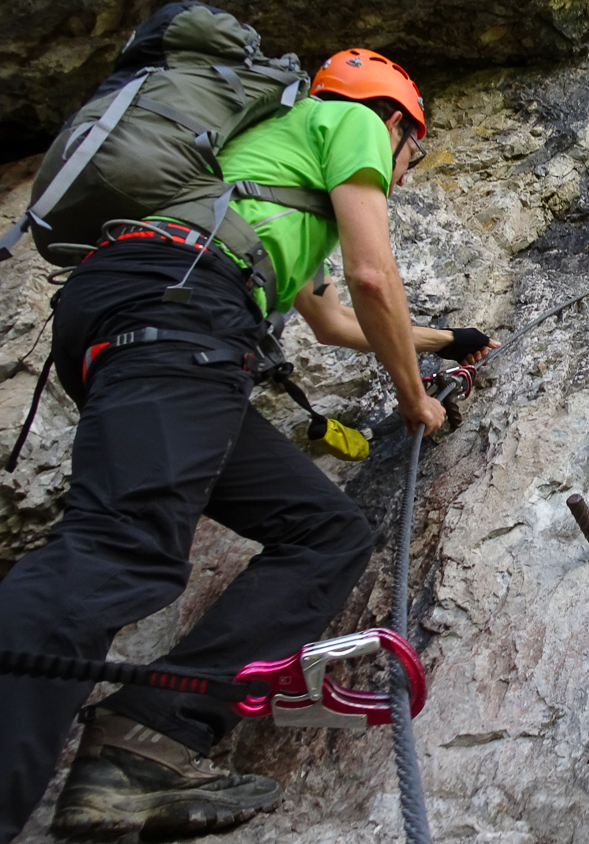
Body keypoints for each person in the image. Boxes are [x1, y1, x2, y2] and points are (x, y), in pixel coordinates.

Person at [0, 47, 497, 842]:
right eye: (415, 152)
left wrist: (442, 343)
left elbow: (333, 319)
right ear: (399, 121)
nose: (404, 174)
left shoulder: (263, 159)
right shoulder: (352, 122)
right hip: (181, 313)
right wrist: (416, 402)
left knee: (326, 533)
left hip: (156, 319)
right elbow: (373, 279)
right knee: (117, 550)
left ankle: (147, 739)